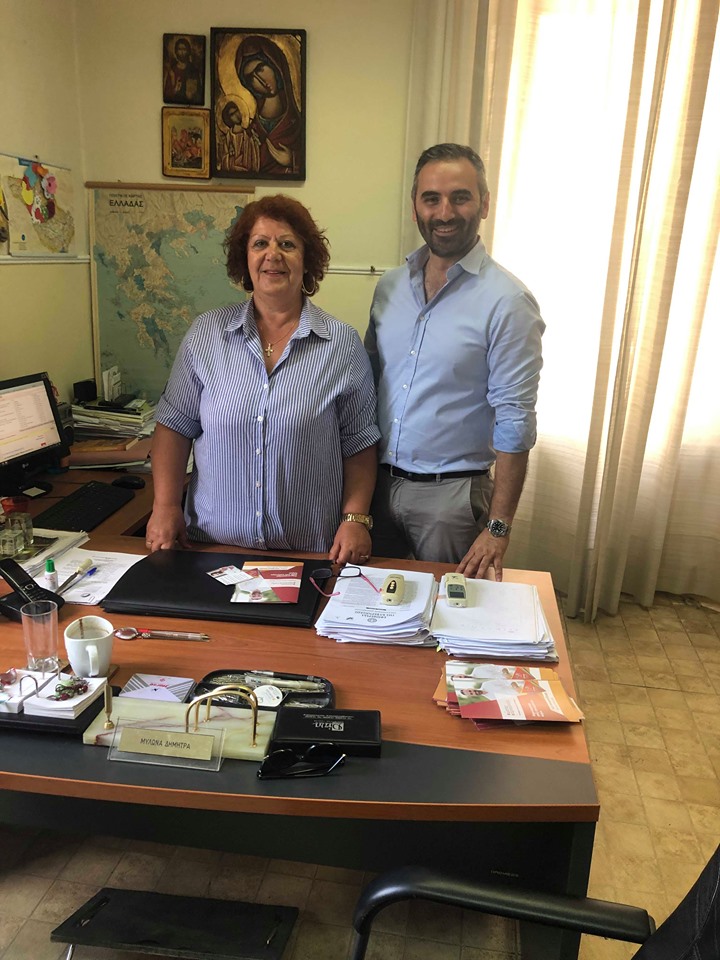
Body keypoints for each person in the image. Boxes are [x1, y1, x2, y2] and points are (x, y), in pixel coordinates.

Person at [147, 195, 380, 566]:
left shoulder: (342, 344)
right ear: (245, 259)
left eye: (287, 244)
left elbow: (359, 443)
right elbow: (174, 427)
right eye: (260, 244)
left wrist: (355, 519)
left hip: (310, 552)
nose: (273, 255)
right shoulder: (206, 335)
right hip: (211, 549)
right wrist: (165, 506)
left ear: (307, 259)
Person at [365, 143, 545, 581]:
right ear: (415, 208)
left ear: (484, 204)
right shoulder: (389, 287)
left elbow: (515, 419)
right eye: (432, 198)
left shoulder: (508, 302)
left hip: (451, 502)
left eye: (460, 197)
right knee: (373, 610)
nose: (445, 212)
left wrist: (498, 528)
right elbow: (366, 382)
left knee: (449, 613)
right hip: (375, 488)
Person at [235, 35, 302, 176]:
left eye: (260, 68)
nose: (260, 80)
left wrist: (293, 159)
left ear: (274, 64)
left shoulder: (296, 119)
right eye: (251, 78)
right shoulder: (252, 127)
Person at [163, 36, 202, 104]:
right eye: (179, 49)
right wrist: (175, 90)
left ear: (188, 51)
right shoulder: (172, 71)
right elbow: (167, 95)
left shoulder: (193, 70)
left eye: (184, 49)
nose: (182, 52)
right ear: (176, 51)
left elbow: (198, 93)